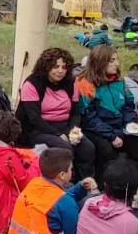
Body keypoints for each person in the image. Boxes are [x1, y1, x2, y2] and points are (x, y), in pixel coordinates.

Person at [8, 146, 95, 234]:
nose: (72, 171)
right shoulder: (66, 203)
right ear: (62, 175)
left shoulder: (34, 184)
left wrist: (80, 188)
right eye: (71, 169)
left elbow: (57, 200)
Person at [16, 48, 96, 176]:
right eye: (55, 66)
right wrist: (58, 134)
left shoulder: (70, 83)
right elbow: (34, 118)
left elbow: (76, 113)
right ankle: (66, 183)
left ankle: (85, 183)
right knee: (64, 149)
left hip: (64, 126)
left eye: (64, 67)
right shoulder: (32, 84)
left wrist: (73, 130)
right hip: (38, 129)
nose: (60, 71)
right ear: (46, 67)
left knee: (87, 148)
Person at [75, 45, 138, 179]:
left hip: (119, 126)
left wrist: (130, 124)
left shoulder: (120, 82)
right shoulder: (84, 83)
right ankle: (106, 187)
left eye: (116, 59)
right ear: (100, 62)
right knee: (106, 151)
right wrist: (111, 136)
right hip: (96, 130)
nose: (117, 64)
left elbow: (128, 106)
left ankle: (130, 184)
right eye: (112, 60)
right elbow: (89, 118)